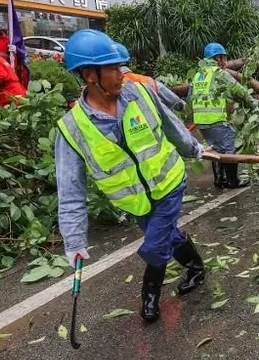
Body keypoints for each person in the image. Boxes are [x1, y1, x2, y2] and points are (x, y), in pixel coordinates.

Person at [55, 29, 208, 322]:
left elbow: (171, 124)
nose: (122, 73)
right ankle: (196, 267)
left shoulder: (139, 93)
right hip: (136, 202)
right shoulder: (72, 128)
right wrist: (74, 242)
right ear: (90, 75)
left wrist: (193, 149)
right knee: (166, 236)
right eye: (113, 68)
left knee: (156, 245)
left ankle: (149, 296)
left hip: (169, 183)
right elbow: (71, 191)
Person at [190, 42, 259, 189]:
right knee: (231, 147)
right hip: (216, 120)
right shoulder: (220, 74)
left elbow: (190, 97)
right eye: (224, 58)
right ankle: (233, 181)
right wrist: (255, 105)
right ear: (218, 58)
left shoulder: (197, 76)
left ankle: (220, 179)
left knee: (217, 148)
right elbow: (240, 91)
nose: (225, 62)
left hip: (201, 123)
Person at [113, 43, 187, 113]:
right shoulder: (147, 81)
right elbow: (176, 103)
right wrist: (182, 106)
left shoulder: (105, 90)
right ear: (128, 62)